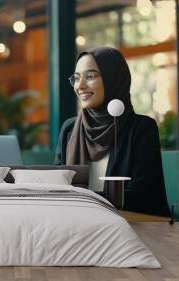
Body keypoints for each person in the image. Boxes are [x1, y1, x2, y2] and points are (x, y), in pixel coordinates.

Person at [55, 47, 170, 216]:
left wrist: (83, 198)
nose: (80, 86)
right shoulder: (69, 129)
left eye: (90, 76)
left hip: (132, 228)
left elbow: (145, 197)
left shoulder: (141, 128)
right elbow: (56, 185)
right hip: (77, 223)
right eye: (76, 78)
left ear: (113, 79)